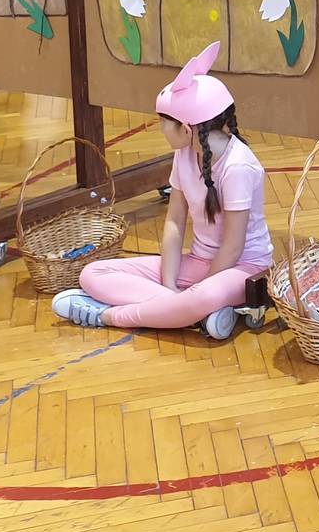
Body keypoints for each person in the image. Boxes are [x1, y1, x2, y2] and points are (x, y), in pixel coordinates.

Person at [52, 41, 271, 340]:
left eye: (163, 122)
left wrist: (198, 291)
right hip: (198, 263)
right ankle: (184, 312)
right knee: (93, 274)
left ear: (186, 129)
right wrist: (170, 285)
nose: (160, 128)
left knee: (201, 298)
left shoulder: (238, 166)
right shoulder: (185, 154)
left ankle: (107, 315)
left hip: (242, 268)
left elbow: (233, 247)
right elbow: (174, 221)